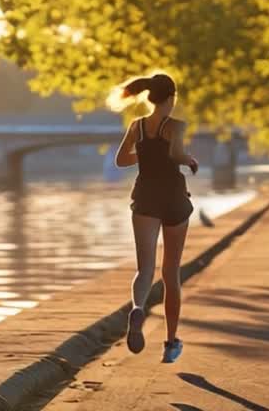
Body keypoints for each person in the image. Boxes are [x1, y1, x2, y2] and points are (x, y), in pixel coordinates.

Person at [111, 73, 199, 363]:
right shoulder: (174, 126)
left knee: (145, 269)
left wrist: (145, 154)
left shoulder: (137, 126)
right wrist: (190, 160)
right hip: (173, 198)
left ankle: (138, 308)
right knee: (170, 272)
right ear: (171, 98)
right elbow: (175, 153)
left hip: (145, 197)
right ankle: (171, 342)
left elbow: (121, 160)